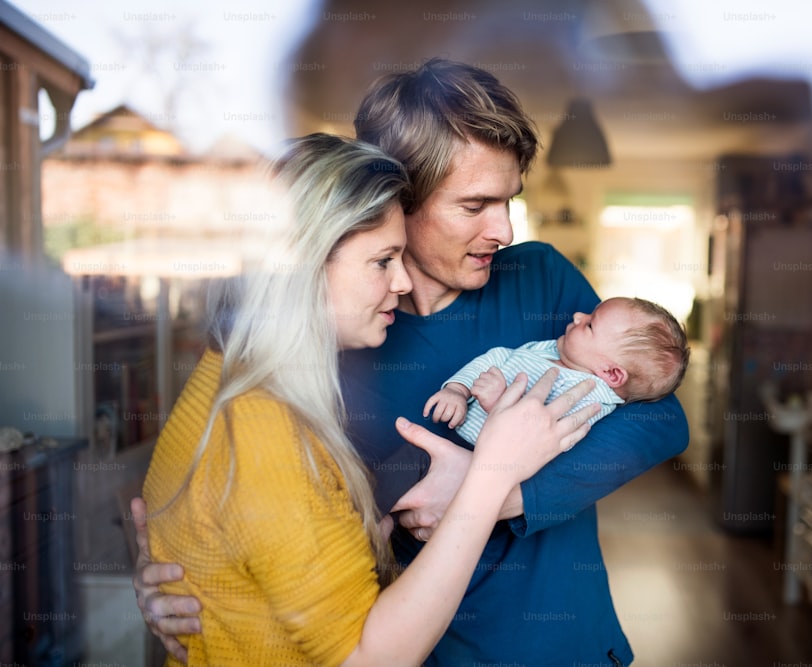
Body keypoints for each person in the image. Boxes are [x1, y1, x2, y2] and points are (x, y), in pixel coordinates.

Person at [133, 59, 689, 666]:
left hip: (563, 646)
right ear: (404, 195)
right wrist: (190, 583)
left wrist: (503, 493)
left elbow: (658, 419)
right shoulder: (329, 346)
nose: (503, 229)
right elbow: (259, 519)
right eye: (475, 205)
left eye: (509, 201)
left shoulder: (542, 280)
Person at [425, 296, 691, 445]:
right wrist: (457, 390)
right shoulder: (551, 350)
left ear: (611, 374)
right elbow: (498, 357)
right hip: (450, 440)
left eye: (589, 325)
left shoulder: (589, 399)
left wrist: (498, 403)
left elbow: (539, 439)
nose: (577, 316)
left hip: (480, 466)